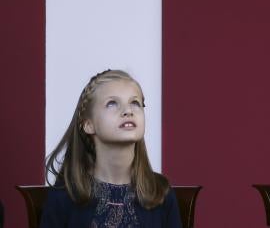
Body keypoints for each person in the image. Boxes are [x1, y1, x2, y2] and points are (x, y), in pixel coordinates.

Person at [41, 69, 181, 228]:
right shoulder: (63, 197)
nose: (128, 111)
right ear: (88, 125)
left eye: (135, 103)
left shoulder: (162, 194)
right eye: (112, 103)